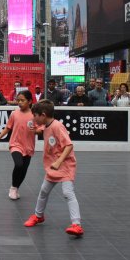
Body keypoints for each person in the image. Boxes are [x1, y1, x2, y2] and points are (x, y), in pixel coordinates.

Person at [23, 100, 84, 237]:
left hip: (65, 165)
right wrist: (37, 131)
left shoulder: (58, 126)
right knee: (44, 191)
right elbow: (44, 130)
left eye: (36, 115)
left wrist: (58, 162)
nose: (34, 118)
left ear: (43, 115)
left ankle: (76, 224)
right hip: (53, 166)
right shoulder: (47, 125)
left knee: (68, 193)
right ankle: (38, 216)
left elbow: (69, 146)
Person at [0, 90, 40, 200]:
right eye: (18, 100)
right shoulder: (14, 113)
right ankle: (13, 188)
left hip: (28, 146)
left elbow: (40, 129)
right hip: (15, 144)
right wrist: (0, 136)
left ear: (29, 101)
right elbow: (8, 127)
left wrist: (36, 131)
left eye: (22, 100)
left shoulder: (34, 115)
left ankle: (16, 187)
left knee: (24, 169)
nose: (19, 102)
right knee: (18, 165)